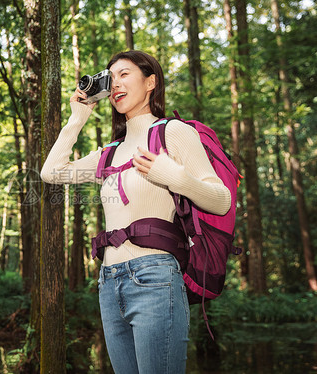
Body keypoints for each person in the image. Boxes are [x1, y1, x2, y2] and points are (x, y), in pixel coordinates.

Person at [40, 50, 231, 374]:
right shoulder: (110, 152)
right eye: (111, 76)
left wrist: (177, 178)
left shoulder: (173, 132)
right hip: (109, 282)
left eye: (125, 74)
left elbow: (221, 200)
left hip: (155, 277)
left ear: (151, 82)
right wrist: (77, 118)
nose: (116, 83)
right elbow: (51, 173)